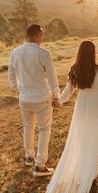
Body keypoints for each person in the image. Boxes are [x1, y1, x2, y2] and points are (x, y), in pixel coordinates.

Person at [46, 40, 98, 193]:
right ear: (93, 53)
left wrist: (59, 101)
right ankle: (89, 174)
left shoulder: (75, 70)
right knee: (94, 140)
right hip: (97, 107)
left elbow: (67, 92)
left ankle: (83, 173)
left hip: (82, 106)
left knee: (82, 139)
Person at [8, 23, 61, 177]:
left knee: (28, 127)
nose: (42, 38)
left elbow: (11, 74)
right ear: (37, 35)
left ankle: (29, 157)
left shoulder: (15, 52)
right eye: (42, 35)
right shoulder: (44, 53)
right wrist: (56, 95)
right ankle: (40, 165)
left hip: (24, 98)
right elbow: (52, 78)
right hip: (42, 98)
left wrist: (18, 89)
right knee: (44, 129)